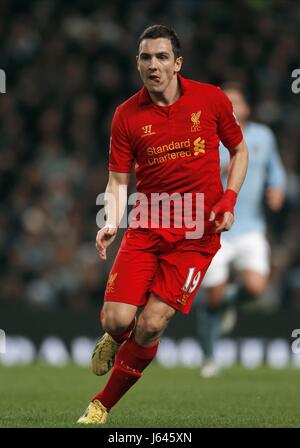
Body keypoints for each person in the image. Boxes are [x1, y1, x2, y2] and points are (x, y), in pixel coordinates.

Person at [77, 26, 248, 424]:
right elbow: (118, 181)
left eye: (161, 57)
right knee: (117, 320)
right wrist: (111, 222)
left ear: (177, 63)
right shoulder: (125, 116)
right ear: (137, 63)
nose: (153, 65)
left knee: (152, 323)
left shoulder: (211, 99)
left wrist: (229, 198)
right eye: (145, 58)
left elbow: (239, 151)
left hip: (195, 234)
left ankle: (101, 405)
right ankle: (116, 338)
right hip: (147, 227)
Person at [197, 82, 286, 378]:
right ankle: (210, 358)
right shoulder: (208, 137)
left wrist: (277, 188)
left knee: (255, 288)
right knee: (213, 296)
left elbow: (275, 168)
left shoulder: (263, 136)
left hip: (250, 228)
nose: (233, 109)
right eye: (227, 103)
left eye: (237, 103)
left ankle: (227, 305)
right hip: (216, 229)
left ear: (247, 108)